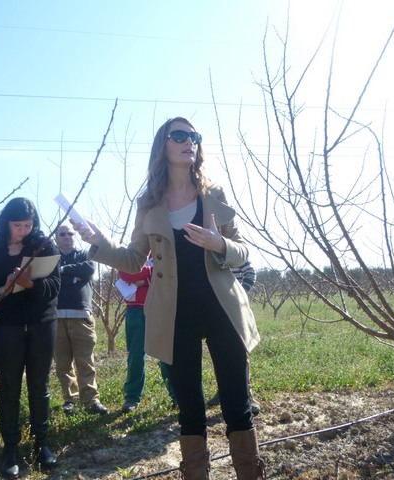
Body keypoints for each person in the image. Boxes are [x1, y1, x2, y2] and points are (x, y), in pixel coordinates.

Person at [74, 117, 264, 479]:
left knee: (237, 406)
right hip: (175, 316)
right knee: (190, 411)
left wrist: (219, 244)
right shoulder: (149, 203)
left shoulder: (214, 194)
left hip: (223, 310)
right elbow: (134, 259)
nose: (189, 141)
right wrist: (100, 243)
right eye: (180, 135)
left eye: (194, 136)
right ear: (163, 145)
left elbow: (242, 251)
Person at [0, 197, 60, 478]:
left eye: (28, 225)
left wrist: (31, 284)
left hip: (42, 324)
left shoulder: (44, 247)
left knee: (39, 384)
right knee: (9, 386)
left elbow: (54, 287)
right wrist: (4, 288)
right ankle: (10, 448)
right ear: (6, 223)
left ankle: (41, 444)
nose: (24, 230)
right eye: (18, 225)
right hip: (8, 326)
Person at [53, 223, 108, 415]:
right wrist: (74, 277)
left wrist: (62, 271)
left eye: (70, 233)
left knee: (85, 361)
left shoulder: (84, 254)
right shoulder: (50, 257)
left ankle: (91, 400)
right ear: (56, 237)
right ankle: (70, 400)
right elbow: (49, 277)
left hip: (82, 317)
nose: (67, 237)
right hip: (56, 318)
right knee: (63, 364)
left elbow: (89, 270)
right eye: (62, 234)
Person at [119, 259, 177, 414]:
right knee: (135, 355)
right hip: (135, 311)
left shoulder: (163, 251)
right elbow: (124, 273)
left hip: (160, 309)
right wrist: (152, 274)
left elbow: (168, 273)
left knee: (166, 355)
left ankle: (177, 395)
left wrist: (142, 279)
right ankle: (132, 397)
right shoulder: (134, 252)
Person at [208, 259, 261, 415]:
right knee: (219, 354)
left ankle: (247, 394)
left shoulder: (234, 252)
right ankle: (222, 391)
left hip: (236, 309)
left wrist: (239, 293)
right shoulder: (210, 254)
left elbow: (250, 272)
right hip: (215, 309)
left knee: (240, 354)